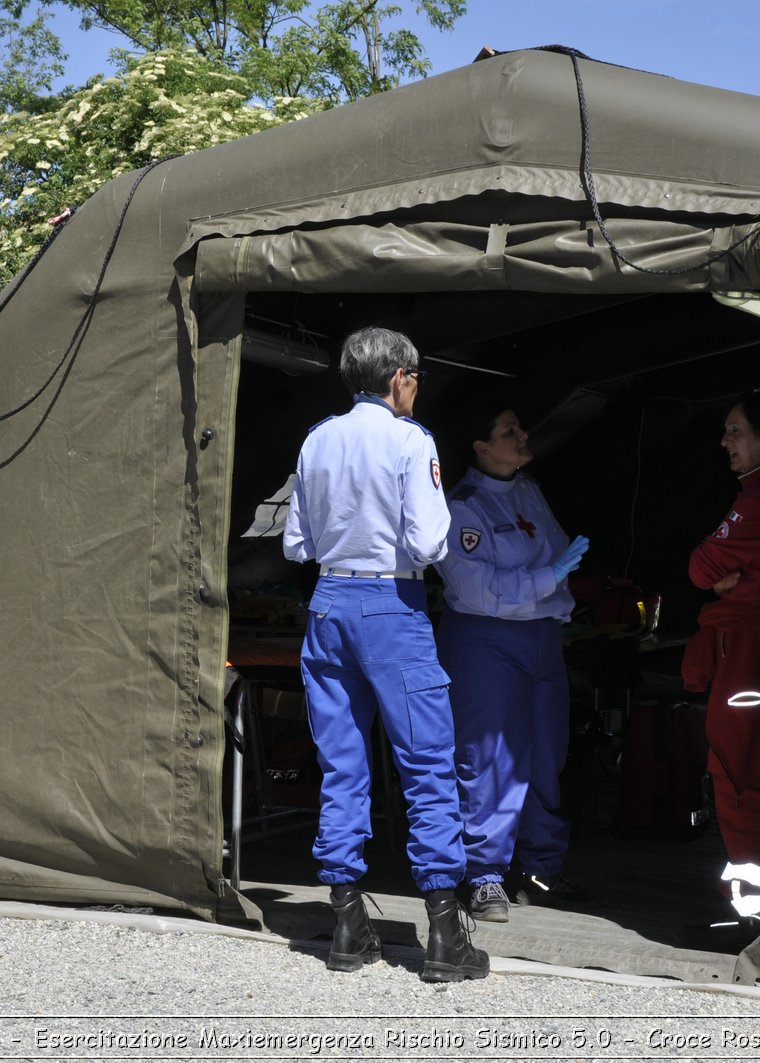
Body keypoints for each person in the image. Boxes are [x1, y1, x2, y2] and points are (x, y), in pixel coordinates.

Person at [282, 326, 488, 983]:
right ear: (399, 376)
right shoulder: (410, 440)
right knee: (427, 762)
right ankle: (445, 933)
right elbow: (430, 541)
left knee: (341, 764)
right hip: (390, 608)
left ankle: (347, 919)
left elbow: (295, 542)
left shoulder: (316, 438)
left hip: (327, 604)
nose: (417, 388)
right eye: (417, 377)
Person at [434, 406, 591, 923]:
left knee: (547, 757)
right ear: (480, 447)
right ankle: (483, 876)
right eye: (508, 431)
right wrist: (547, 579)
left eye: (519, 428)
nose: (523, 436)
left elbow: (554, 557)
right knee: (490, 759)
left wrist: (550, 585)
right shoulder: (460, 508)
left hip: (542, 638)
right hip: (485, 641)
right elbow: (481, 591)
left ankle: (540, 868)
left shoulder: (528, 489)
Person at [681, 391, 760, 942]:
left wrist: (722, 581)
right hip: (756, 654)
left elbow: (701, 567)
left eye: (736, 430)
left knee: (742, 775)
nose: (725, 442)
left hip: (751, 661)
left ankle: (753, 918)